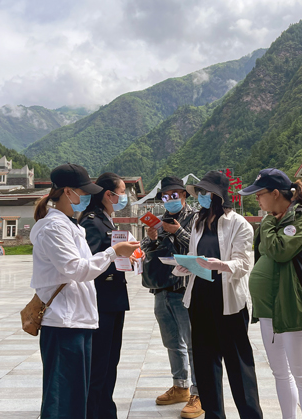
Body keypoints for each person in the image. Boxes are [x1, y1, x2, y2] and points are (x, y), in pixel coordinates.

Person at [29, 164, 140, 419]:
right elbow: (76, 269)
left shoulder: (72, 226)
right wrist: (113, 252)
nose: (89, 197)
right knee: (62, 401)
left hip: (80, 320)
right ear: (68, 192)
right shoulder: (54, 227)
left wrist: (117, 255)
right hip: (63, 322)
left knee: (77, 398)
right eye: (84, 192)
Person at [176, 170, 263, 419]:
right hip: (200, 299)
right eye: (199, 192)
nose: (200, 196)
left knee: (239, 364)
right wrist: (184, 265)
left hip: (229, 302)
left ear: (218, 195)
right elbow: (194, 255)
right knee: (205, 364)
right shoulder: (198, 222)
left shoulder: (239, 224)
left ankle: (251, 415)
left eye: (204, 192)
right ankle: (214, 415)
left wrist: (221, 265)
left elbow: (243, 264)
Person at [239, 168, 302, 419]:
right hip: (269, 309)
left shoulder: (300, 219)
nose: (257, 199)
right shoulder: (274, 221)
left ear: (276, 193)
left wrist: (266, 223)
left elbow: (278, 251)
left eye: (260, 194)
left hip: (293, 307)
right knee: (280, 373)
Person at [140, 176, 202, 418]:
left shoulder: (196, 218)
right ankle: (180, 386)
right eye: (165, 196)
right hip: (162, 288)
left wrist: (179, 232)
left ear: (184, 195)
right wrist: (152, 238)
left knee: (193, 342)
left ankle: (199, 392)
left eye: (174, 195)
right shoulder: (159, 220)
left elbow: (199, 249)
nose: (170, 200)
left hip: (185, 289)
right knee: (171, 341)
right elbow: (146, 250)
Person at [78, 172, 132, 419]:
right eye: (122, 192)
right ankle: (96, 412)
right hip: (101, 302)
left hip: (113, 300)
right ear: (109, 195)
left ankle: (105, 410)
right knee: (100, 365)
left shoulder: (106, 221)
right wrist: (115, 256)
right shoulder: (92, 222)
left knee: (110, 362)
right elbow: (88, 264)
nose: (125, 197)